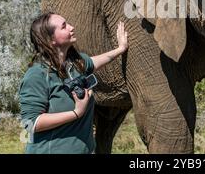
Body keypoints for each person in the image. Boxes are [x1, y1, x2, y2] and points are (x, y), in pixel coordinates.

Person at [19, 12, 128, 154]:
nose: (71, 27)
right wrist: (76, 113)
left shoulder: (75, 64)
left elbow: (93, 62)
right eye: (64, 27)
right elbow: (30, 123)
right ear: (51, 39)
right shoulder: (36, 75)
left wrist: (120, 49)